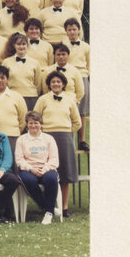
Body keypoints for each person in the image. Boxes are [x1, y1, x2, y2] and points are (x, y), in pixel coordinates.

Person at [33, 70, 81, 218]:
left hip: (65, 138)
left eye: (58, 82)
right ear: (49, 84)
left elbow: (77, 122)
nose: (56, 84)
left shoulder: (69, 100)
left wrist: (66, 131)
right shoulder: (43, 99)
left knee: (64, 174)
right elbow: (35, 117)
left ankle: (65, 207)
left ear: (63, 84)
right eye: (53, 82)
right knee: (48, 172)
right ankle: (50, 206)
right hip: (47, 138)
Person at [15, 111, 61, 224]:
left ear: (41, 124)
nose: (33, 126)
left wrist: (44, 169)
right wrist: (31, 169)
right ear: (27, 124)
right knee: (28, 180)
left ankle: (48, 213)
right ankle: (48, 208)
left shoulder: (49, 139)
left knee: (51, 178)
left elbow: (54, 159)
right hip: (29, 169)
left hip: (46, 168)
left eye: (36, 123)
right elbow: (19, 160)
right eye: (30, 123)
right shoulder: (21, 139)